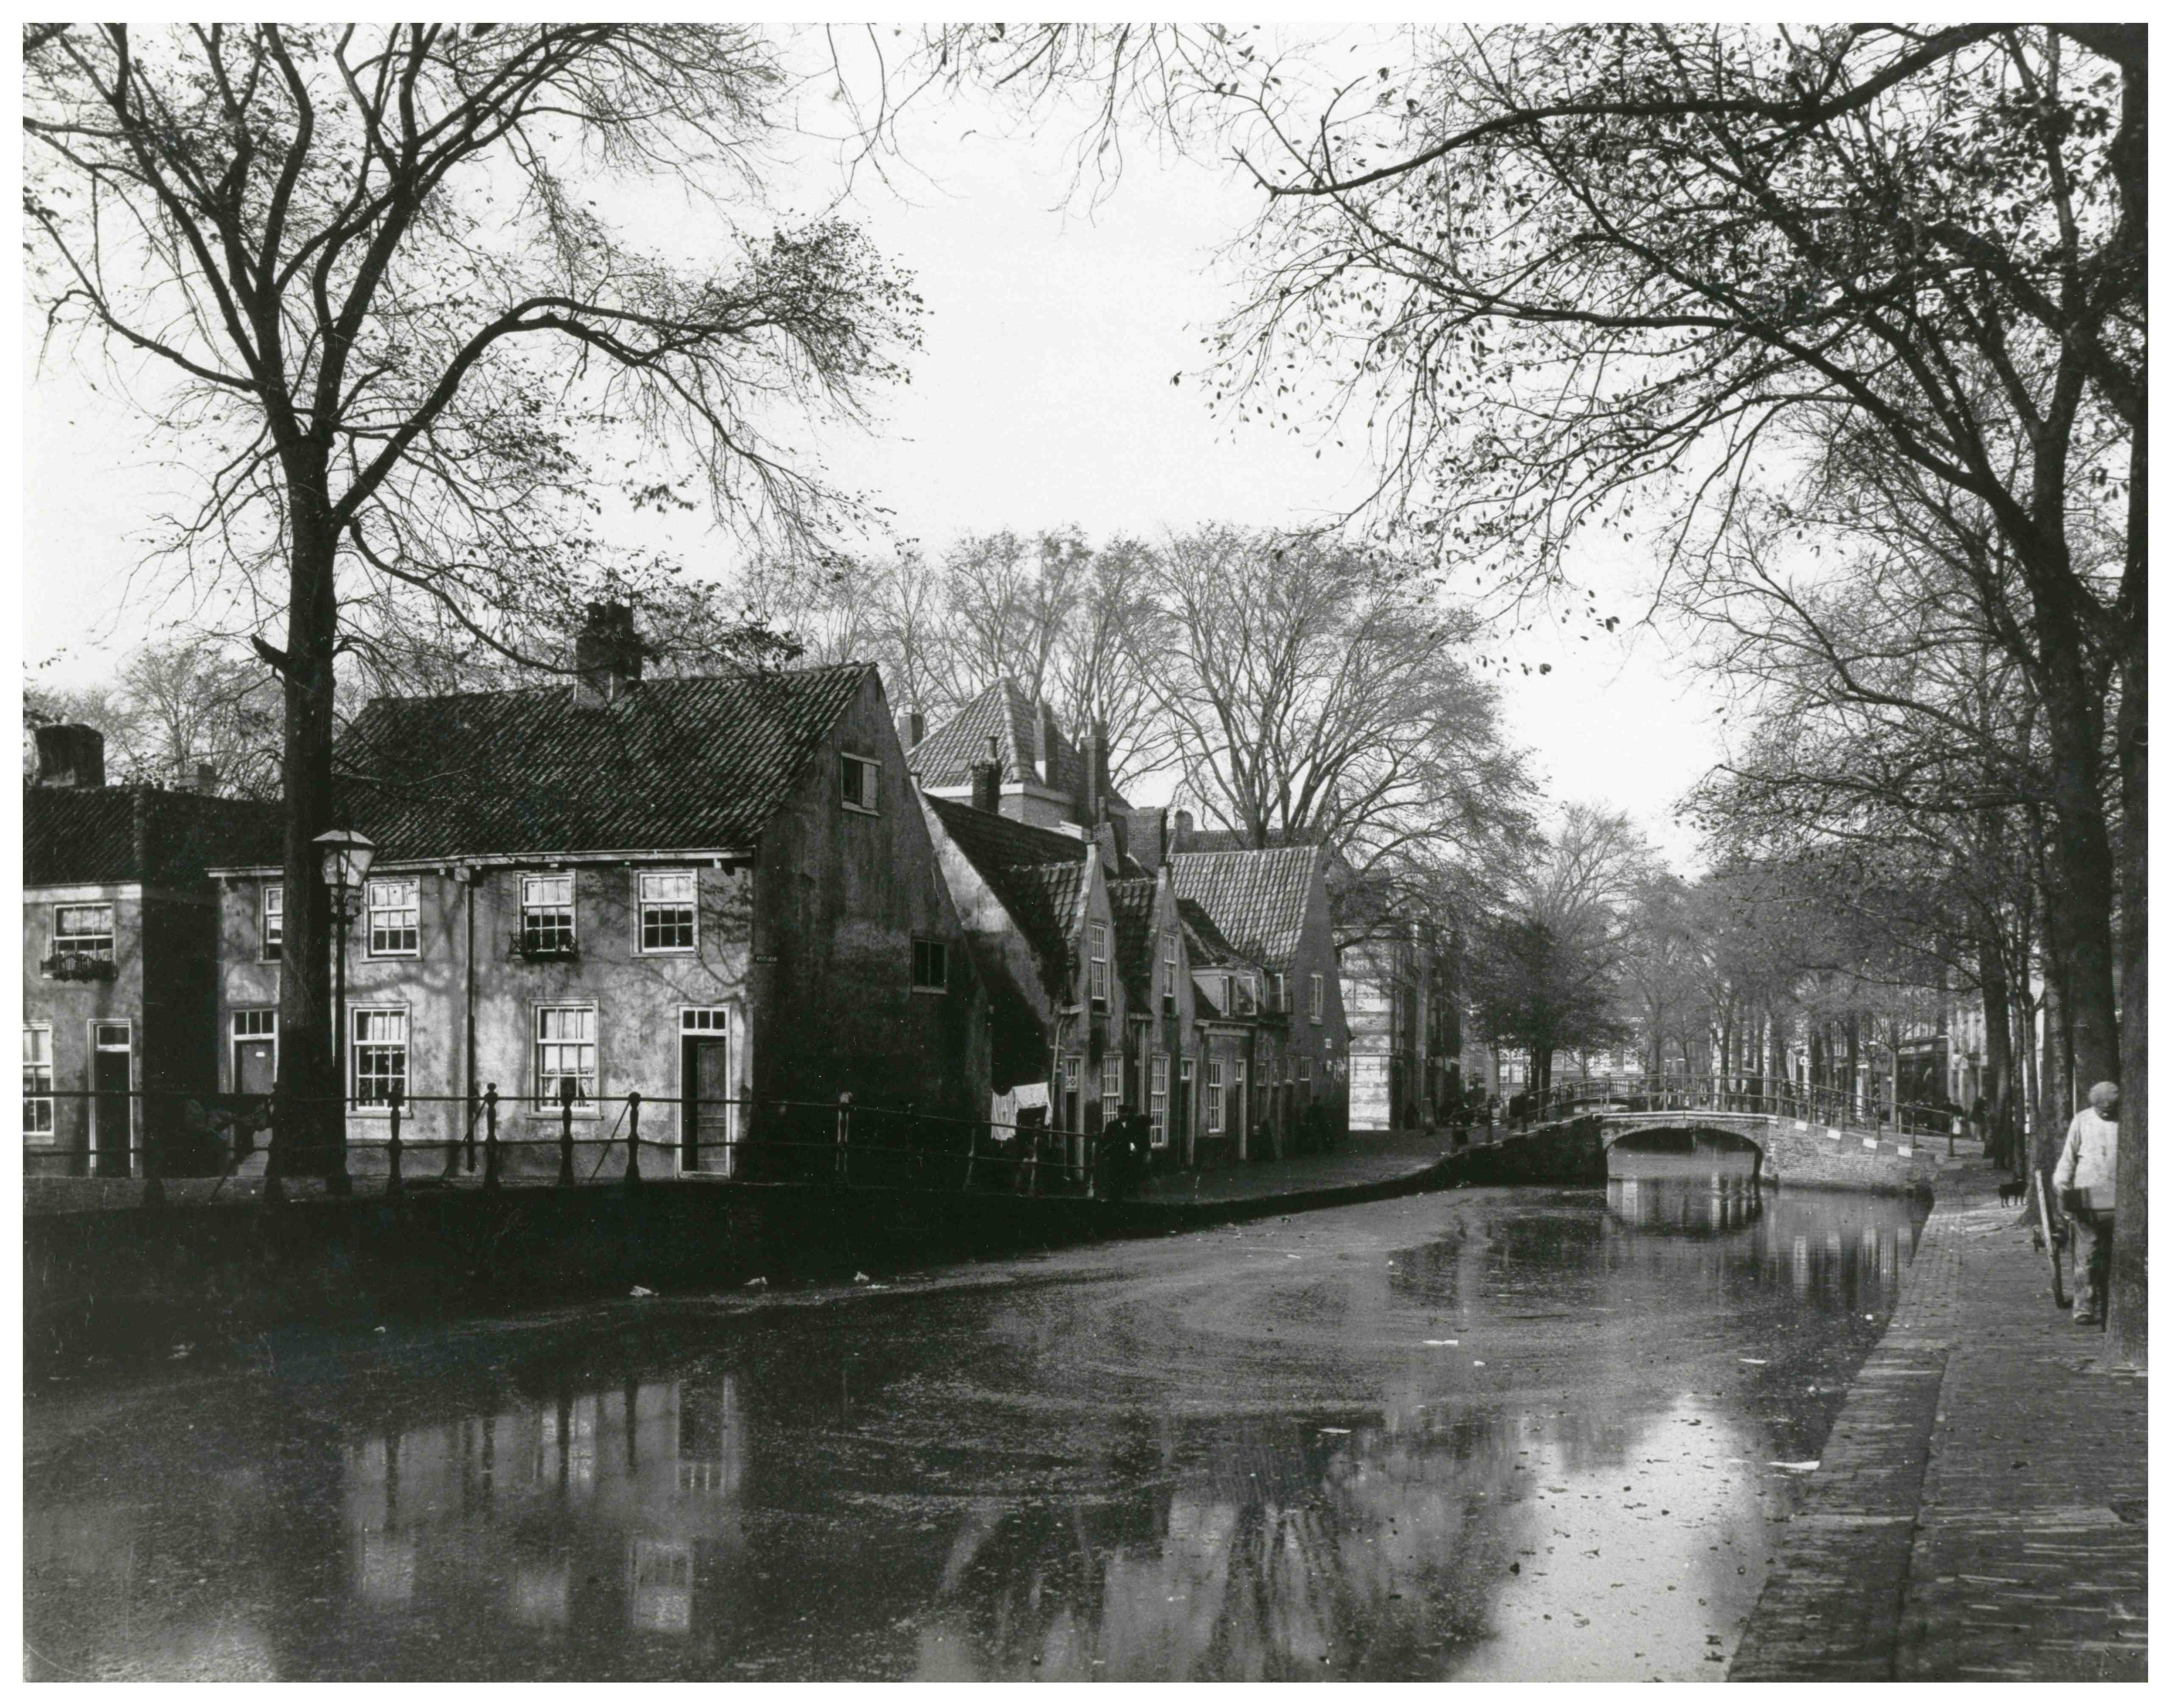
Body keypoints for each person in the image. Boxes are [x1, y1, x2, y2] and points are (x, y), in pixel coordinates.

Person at [2052, 1080, 2119, 1326]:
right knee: (2087, 1255)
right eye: (2102, 1110)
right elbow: (2068, 1157)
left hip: (2120, 1198)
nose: (2107, 1114)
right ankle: (2084, 1307)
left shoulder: (2128, 1120)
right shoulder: (2082, 1120)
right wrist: (2062, 1184)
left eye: (2111, 1110)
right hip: (2087, 1199)